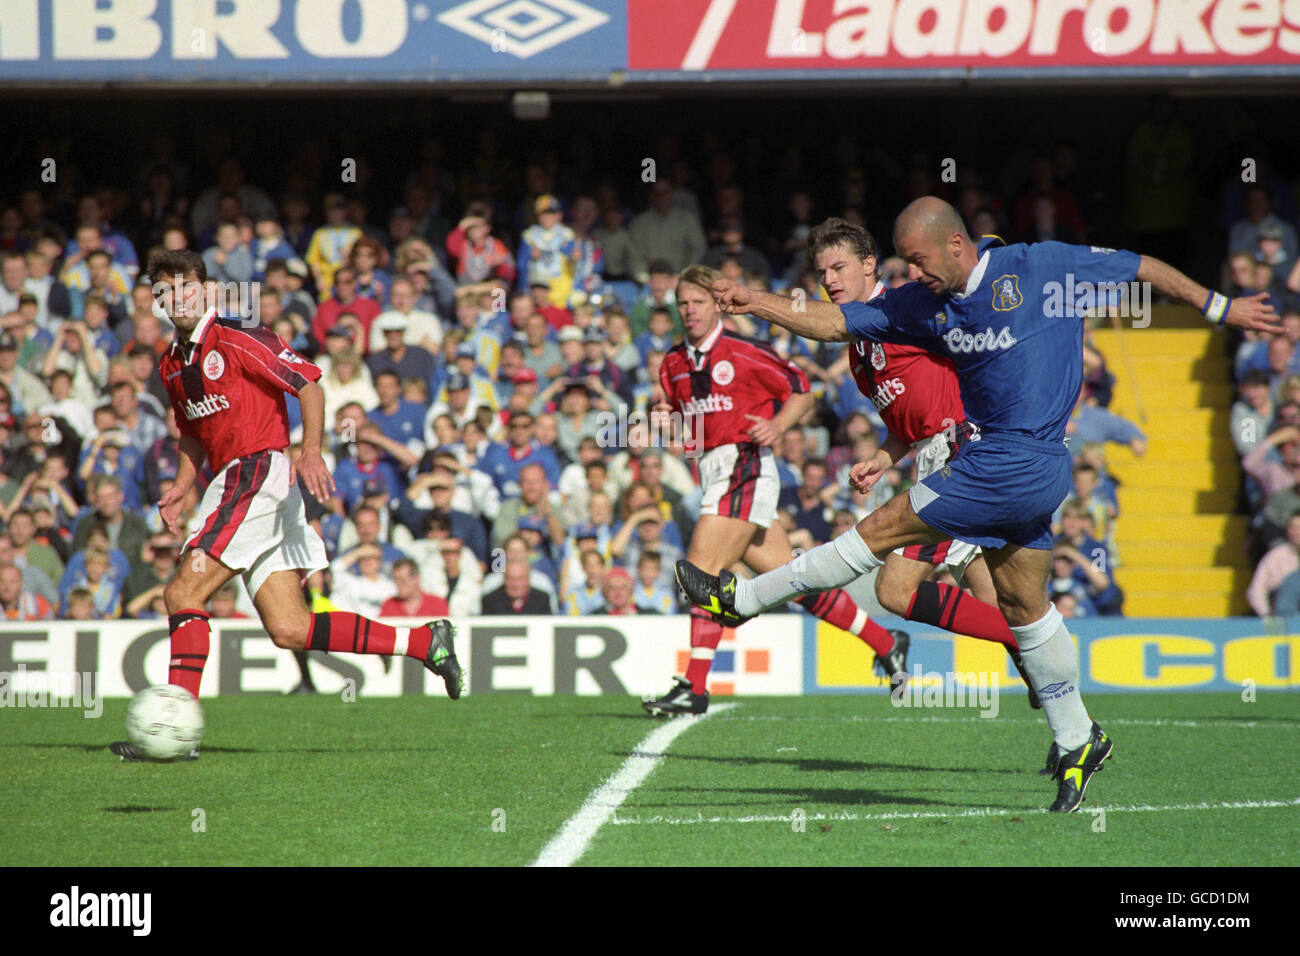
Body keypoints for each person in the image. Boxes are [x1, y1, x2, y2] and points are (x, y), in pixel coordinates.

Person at [675, 195, 1279, 812]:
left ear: (956, 244)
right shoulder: (917, 303)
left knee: (883, 545)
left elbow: (1140, 265)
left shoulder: (1040, 266)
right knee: (1021, 605)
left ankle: (743, 599)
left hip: (994, 456)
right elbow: (831, 326)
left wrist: (1221, 306)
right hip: (1016, 468)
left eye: (917, 260)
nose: (913, 273)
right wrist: (759, 302)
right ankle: (1078, 739)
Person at [108, 249, 462, 762]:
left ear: (205, 291)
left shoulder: (239, 337)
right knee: (290, 628)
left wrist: (311, 451)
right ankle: (427, 643)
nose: (177, 298)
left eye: (185, 286)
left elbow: (310, 384)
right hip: (236, 481)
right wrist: (183, 485)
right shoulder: (171, 364)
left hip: (259, 473)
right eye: (165, 291)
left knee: (183, 589)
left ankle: (174, 725)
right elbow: (192, 432)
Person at [642, 264, 909, 718]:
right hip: (712, 471)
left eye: (699, 301)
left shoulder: (744, 351)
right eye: (683, 303)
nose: (689, 310)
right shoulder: (672, 363)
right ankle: (887, 641)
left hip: (743, 466)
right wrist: (663, 415)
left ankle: (695, 687)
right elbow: (672, 407)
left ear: (717, 305)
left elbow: (802, 390)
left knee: (700, 571)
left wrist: (778, 424)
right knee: (794, 581)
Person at [807, 218, 1036, 694]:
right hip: (937, 454)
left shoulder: (910, 307)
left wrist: (987, 252)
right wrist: (884, 457)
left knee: (893, 590)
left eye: (839, 267)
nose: (829, 279)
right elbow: (904, 421)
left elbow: (970, 284)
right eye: (821, 271)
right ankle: (1054, 689)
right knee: (1000, 599)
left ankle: (1036, 653)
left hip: (958, 450)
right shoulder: (857, 351)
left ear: (870, 265)